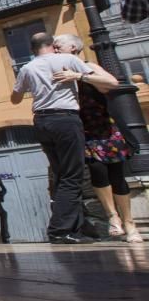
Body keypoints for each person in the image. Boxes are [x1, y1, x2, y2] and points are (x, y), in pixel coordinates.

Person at [11, 32, 116, 244]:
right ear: (51, 45)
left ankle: (74, 228)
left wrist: (35, 86)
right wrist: (79, 76)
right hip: (65, 119)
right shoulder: (68, 60)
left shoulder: (27, 68)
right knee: (72, 175)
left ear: (33, 49)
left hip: (41, 121)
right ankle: (59, 230)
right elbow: (110, 83)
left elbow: (15, 98)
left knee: (60, 174)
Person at [51, 34, 139, 243]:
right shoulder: (59, 71)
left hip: (105, 128)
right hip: (83, 130)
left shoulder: (88, 66)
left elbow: (111, 83)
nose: (54, 50)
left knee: (117, 175)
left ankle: (129, 223)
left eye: (58, 46)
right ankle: (112, 216)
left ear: (73, 47)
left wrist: (79, 76)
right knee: (98, 173)